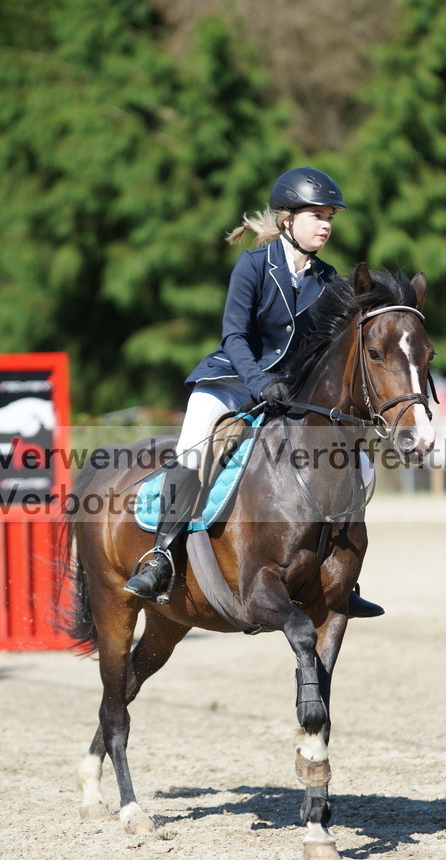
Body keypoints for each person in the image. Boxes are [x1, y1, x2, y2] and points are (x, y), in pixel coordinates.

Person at [124, 167, 383, 617]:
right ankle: (162, 555)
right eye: (316, 215)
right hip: (231, 381)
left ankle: (344, 578)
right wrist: (262, 382)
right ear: (287, 220)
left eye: (330, 218)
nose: (325, 224)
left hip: (291, 394)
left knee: (357, 465)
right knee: (191, 453)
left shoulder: (328, 279)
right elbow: (234, 337)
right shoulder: (252, 266)